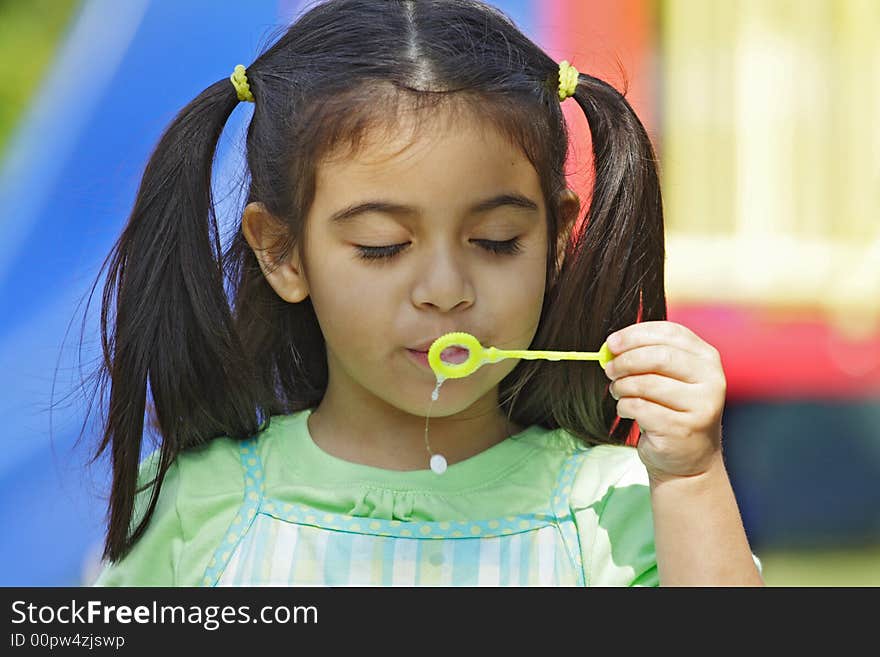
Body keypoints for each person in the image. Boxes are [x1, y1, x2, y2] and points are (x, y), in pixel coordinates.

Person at [88, 0, 762, 586]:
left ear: (556, 240)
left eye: (497, 241)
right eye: (383, 245)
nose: (445, 291)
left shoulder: (615, 512)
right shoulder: (198, 505)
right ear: (283, 252)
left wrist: (692, 479)